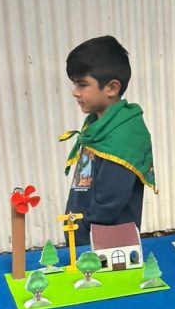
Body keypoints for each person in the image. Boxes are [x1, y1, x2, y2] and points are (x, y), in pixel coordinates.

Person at [60, 35, 156, 244]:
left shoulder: (124, 135)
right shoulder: (97, 125)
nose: (75, 93)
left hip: (106, 244)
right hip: (83, 235)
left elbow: (110, 201)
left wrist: (84, 229)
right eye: (75, 84)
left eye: (82, 85)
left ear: (112, 88)